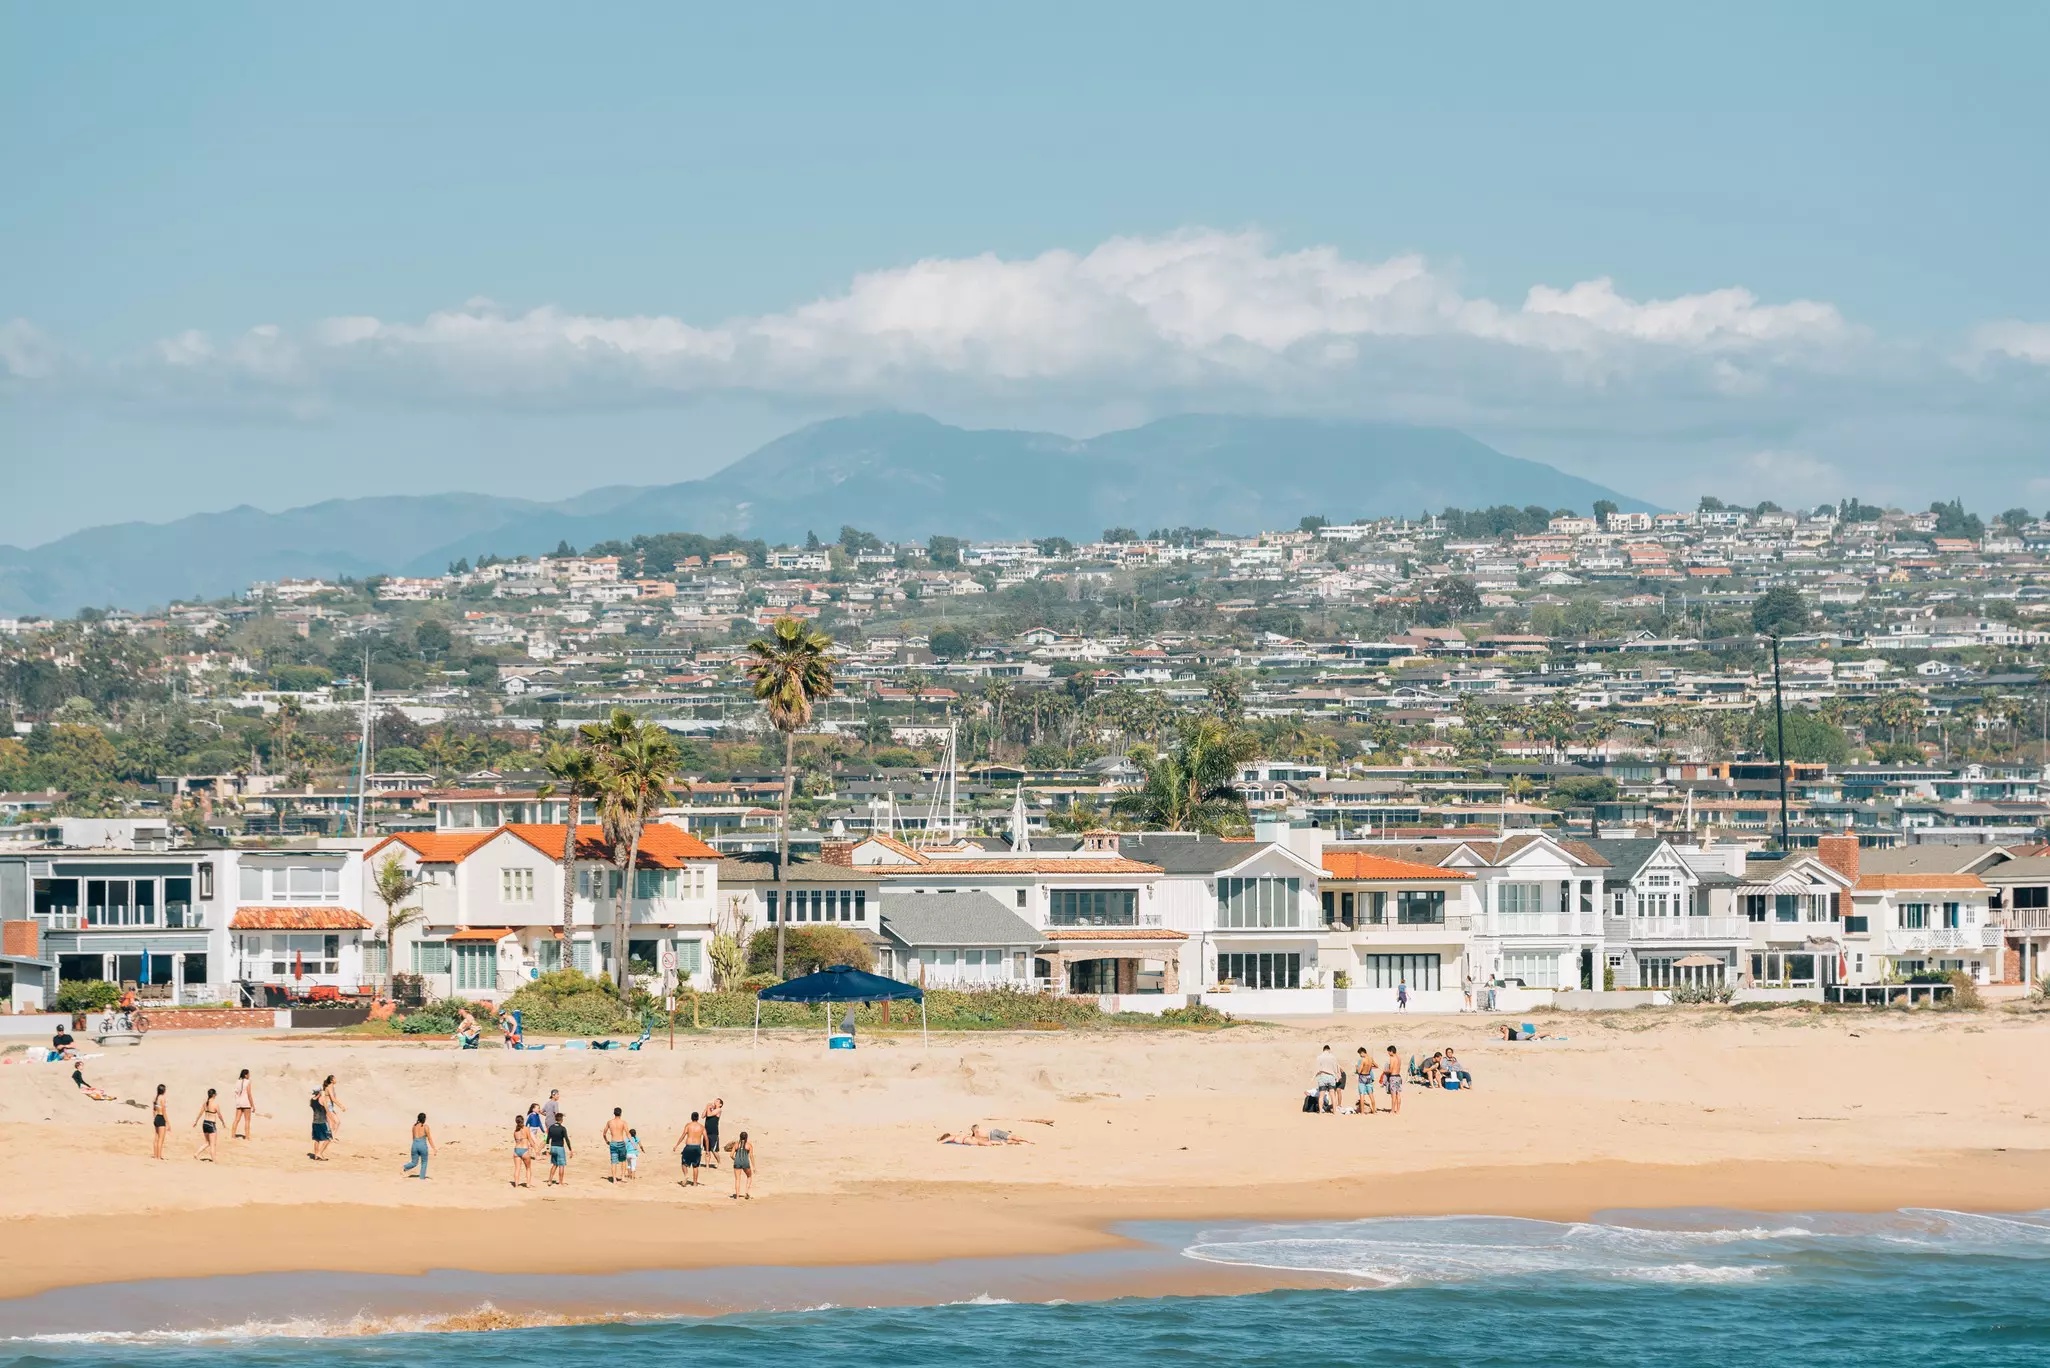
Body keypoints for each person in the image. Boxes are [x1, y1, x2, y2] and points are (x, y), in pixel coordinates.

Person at [674, 1111, 707, 1186]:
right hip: (697, 1146)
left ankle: (686, 1175)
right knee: (695, 1166)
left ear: (691, 1117)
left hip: (689, 1146)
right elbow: (706, 1138)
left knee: (684, 1163)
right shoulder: (701, 1127)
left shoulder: (688, 1125)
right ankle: (695, 1183)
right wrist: (707, 1150)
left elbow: (683, 1135)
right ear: (698, 1118)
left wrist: (676, 1145)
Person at [193, 1087, 224, 1161]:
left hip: (205, 1123)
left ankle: (196, 1154)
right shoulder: (215, 1104)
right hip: (211, 1124)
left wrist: (196, 1122)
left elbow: (200, 1113)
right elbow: (219, 1115)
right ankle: (214, 1160)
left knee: (207, 1142)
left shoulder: (205, 1104)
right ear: (213, 1095)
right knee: (213, 1144)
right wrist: (223, 1122)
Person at [403, 1112, 436, 1179]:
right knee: (424, 1162)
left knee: (414, 1162)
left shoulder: (414, 1126)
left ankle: (404, 1167)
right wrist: (433, 1148)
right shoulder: (425, 1127)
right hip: (422, 1145)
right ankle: (421, 1177)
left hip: (414, 1144)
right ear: (424, 1119)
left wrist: (415, 1144)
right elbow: (429, 1138)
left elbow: (413, 1137)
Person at [603, 1107, 632, 1184]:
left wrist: (606, 1141)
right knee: (623, 1160)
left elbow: (604, 1133)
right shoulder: (623, 1122)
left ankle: (614, 1179)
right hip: (621, 1143)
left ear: (614, 1113)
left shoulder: (609, 1122)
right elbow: (627, 1133)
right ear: (621, 1113)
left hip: (613, 1143)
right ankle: (622, 1177)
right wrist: (632, 1142)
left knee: (614, 1161)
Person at [545, 1110, 572, 1185]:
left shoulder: (551, 1127)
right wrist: (570, 1150)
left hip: (553, 1147)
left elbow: (547, 1139)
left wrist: (547, 1149)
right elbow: (566, 1139)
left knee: (554, 1164)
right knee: (561, 1165)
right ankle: (560, 1182)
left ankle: (550, 1180)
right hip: (560, 1148)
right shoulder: (562, 1128)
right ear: (562, 1120)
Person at [1313, 1044, 1341, 1113]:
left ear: (1323, 1050)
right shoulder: (1333, 1057)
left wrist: (1314, 1076)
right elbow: (1336, 1067)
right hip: (1331, 1076)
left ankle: (1320, 1111)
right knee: (1332, 1095)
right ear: (1329, 1050)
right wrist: (1338, 1076)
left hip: (1322, 1076)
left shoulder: (1319, 1057)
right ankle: (1334, 1111)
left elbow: (1317, 1068)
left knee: (1321, 1095)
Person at [318, 1075, 345, 1142]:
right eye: (334, 1079)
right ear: (331, 1080)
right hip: (328, 1106)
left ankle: (332, 1137)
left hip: (330, 1106)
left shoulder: (332, 1087)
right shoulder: (329, 1087)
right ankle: (332, 1137)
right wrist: (341, 1106)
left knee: (336, 1122)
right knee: (335, 1122)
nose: (336, 1080)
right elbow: (333, 1098)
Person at [728, 1130, 753, 1200]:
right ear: (746, 1138)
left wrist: (736, 1159)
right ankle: (746, 1192)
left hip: (737, 1162)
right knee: (749, 1176)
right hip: (745, 1162)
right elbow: (751, 1156)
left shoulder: (736, 1144)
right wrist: (754, 1166)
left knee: (737, 1179)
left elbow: (731, 1155)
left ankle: (737, 1196)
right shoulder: (749, 1145)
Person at [309, 1088, 333, 1160]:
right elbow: (327, 1110)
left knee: (317, 1139)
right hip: (322, 1121)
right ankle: (319, 1153)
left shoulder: (312, 1100)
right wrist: (332, 1120)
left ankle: (316, 1155)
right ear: (320, 1092)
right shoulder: (322, 1099)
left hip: (315, 1121)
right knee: (329, 1138)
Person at [232, 1068, 255, 1140]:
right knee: (247, 1120)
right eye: (248, 1074)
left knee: (236, 1119)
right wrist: (252, 1105)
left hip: (239, 1102)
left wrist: (237, 1100)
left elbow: (235, 1092)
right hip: (246, 1102)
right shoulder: (248, 1082)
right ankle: (247, 1136)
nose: (249, 1075)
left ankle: (233, 1135)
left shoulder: (237, 1081)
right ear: (245, 1075)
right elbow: (249, 1094)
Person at [511, 1112, 533, 1188]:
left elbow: (516, 1141)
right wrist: (536, 1150)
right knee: (528, 1168)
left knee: (517, 1169)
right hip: (524, 1150)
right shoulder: (526, 1129)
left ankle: (516, 1185)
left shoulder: (515, 1131)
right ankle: (528, 1184)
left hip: (516, 1150)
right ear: (523, 1121)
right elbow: (530, 1139)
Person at [1355, 1047, 1377, 1116]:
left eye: (1360, 1054)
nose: (1360, 1056)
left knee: (1362, 1094)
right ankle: (1374, 1111)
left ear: (1362, 1052)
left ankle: (1362, 1112)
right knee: (1371, 1094)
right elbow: (1376, 1066)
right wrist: (1370, 1067)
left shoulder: (1363, 1060)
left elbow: (1359, 1071)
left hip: (1362, 1077)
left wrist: (1356, 1067)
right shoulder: (1371, 1059)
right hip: (1368, 1077)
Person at [703, 1097, 724, 1168]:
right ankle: (707, 1165)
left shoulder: (719, 1110)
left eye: (717, 1101)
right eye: (715, 1100)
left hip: (714, 1133)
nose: (715, 1101)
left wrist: (708, 1107)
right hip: (706, 1132)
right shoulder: (710, 1109)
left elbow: (709, 1115)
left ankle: (719, 1162)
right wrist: (706, 1107)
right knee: (707, 1150)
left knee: (714, 1150)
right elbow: (703, 1116)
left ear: (720, 1104)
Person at [1383, 1045, 1403, 1115]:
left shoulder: (1392, 1058)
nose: (1388, 1053)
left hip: (1393, 1077)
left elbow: (1391, 1070)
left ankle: (1392, 1110)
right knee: (1398, 1094)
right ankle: (1398, 1110)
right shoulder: (1399, 1058)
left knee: (1393, 1094)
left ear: (1391, 1051)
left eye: (1388, 1052)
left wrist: (1385, 1071)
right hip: (1398, 1077)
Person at [151, 1083, 169, 1159]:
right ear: (164, 1090)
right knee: (161, 1139)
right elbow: (164, 1111)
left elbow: (154, 1110)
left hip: (156, 1118)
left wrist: (155, 1118)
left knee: (156, 1138)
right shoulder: (162, 1098)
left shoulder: (156, 1097)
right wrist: (168, 1122)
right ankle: (159, 1156)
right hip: (161, 1117)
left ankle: (155, 1155)